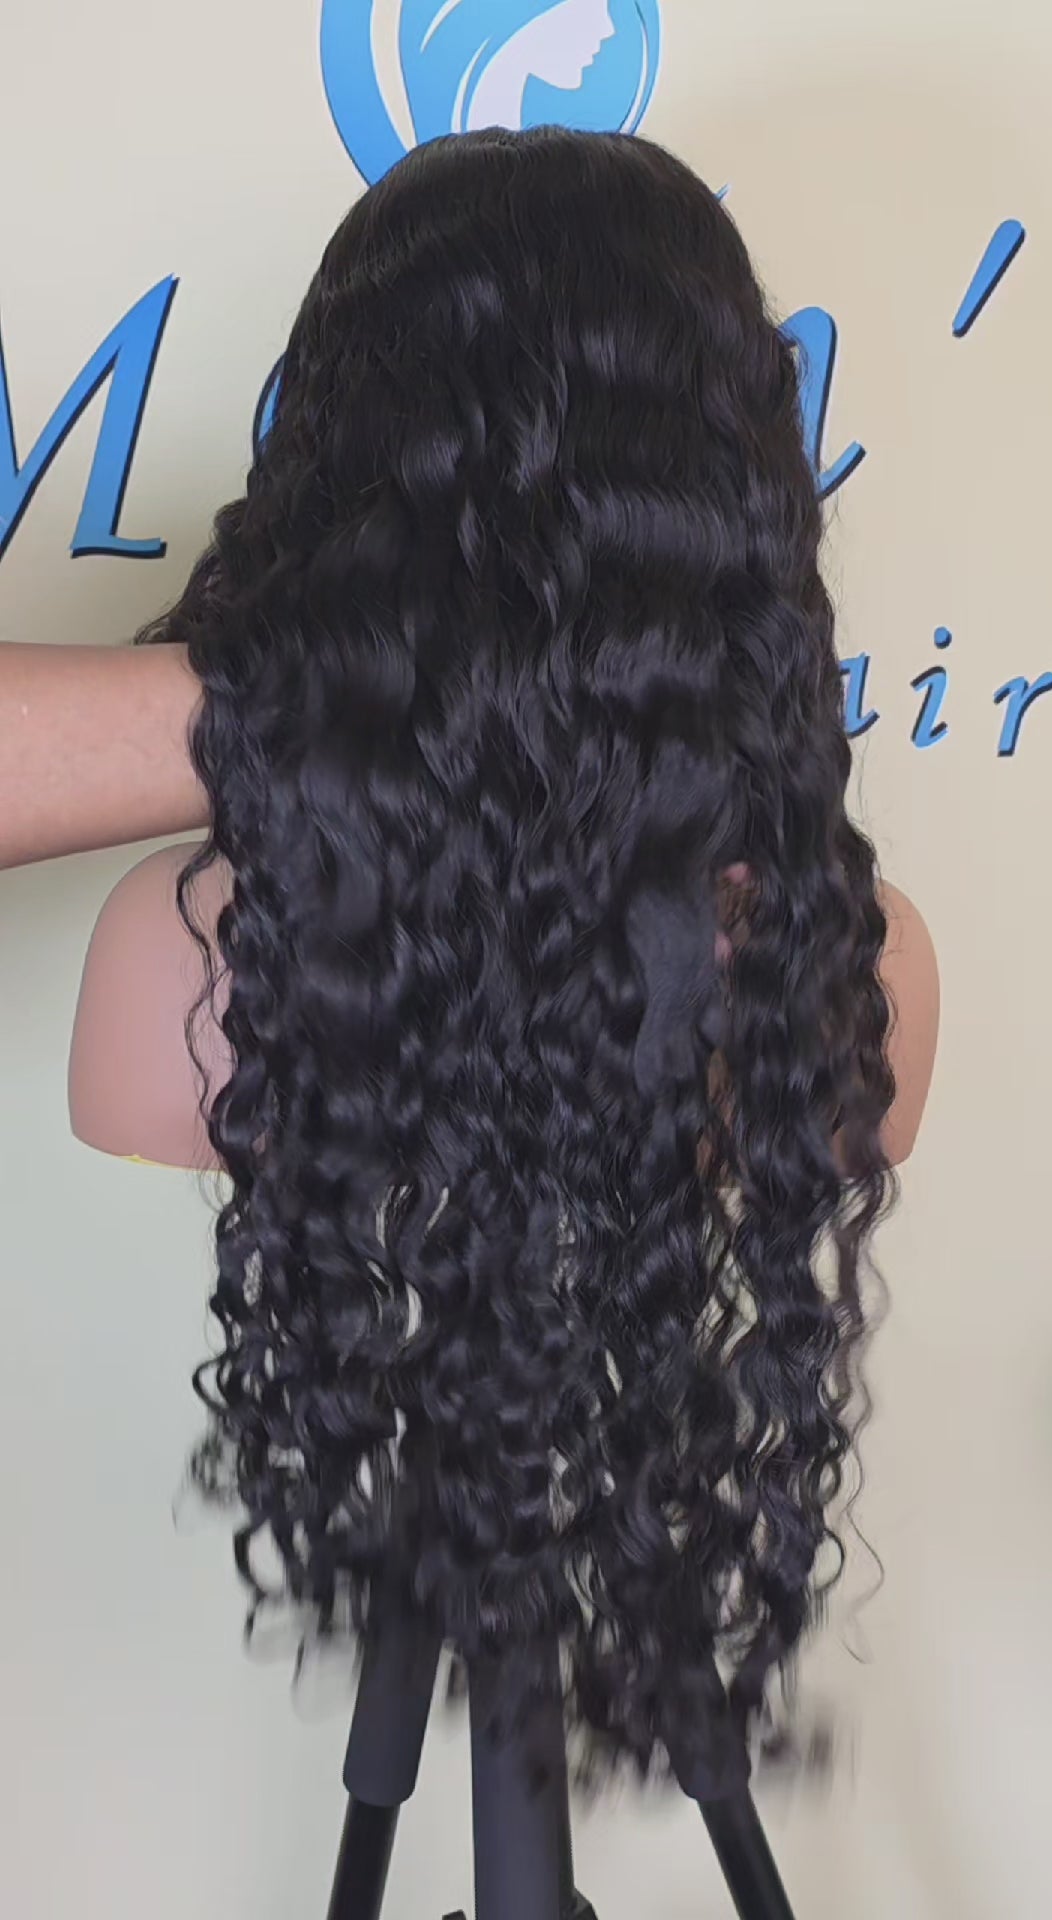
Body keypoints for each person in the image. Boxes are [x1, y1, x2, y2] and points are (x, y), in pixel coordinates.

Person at [11, 127, 939, 1786]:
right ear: (734, 482)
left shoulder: (187, 953)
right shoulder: (859, 974)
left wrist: (381, 695)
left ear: (342, 457)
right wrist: (470, 702)